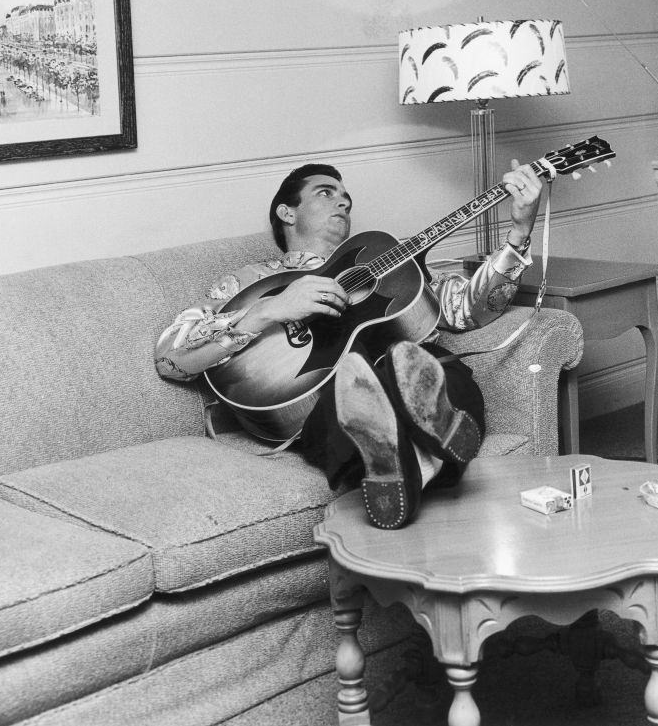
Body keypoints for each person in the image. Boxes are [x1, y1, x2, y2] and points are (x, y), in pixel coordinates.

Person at [155, 160, 544, 529]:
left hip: (407, 364)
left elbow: (468, 311)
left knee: (432, 368)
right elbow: (171, 356)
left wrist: (519, 233)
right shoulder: (251, 280)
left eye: (346, 197)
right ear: (286, 213)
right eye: (326, 193)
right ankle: (437, 441)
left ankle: (397, 465)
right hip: (327, 389)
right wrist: (270, 309)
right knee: (349, 398)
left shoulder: (391, 265)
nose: (343, 201)